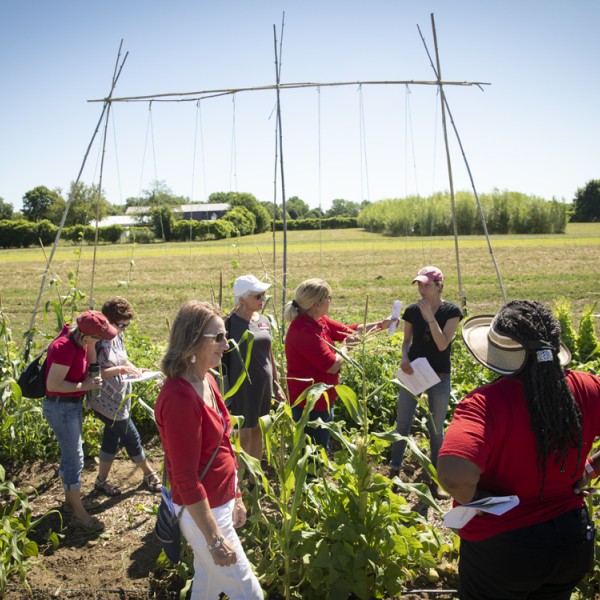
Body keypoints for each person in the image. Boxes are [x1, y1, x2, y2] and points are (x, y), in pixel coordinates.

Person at [437, 300, 600, 600]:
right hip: (571, 540)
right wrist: (589, 469)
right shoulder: (587, 387)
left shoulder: (485, 404)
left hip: (503, 551)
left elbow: (454, 475)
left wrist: (478, 500)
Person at [155, 300, 263, 600]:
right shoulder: (179, 398)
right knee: (250, 594)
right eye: (217, 337)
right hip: (202, 512)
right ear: (191, 341)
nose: (226, 344)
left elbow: (225, 444)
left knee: (206, 589)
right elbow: (186, 479)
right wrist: (214, 538)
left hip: (221, 500)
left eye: (225, 335)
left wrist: (237, 496)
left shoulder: (208, 380)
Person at [284, 277, 394, 449]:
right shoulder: (304, 330)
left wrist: (381, 325)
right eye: (328, 298)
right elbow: (332, 365)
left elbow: (349, 330)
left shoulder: (319, 321)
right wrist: (347, 348)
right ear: (317, 303)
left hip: (323, 398)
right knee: (315, 452)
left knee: (320, 447)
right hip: (310, 404)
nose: (330, 301)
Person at [389, 266, 463, 495]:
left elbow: (442, 344)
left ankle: (437, 478)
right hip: (414, 373)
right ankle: (394, 471)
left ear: (439, 286)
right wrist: (404, 358)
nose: (422, 289)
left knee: (436, 427)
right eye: (419, 284)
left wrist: (431, 318)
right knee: (403, 422)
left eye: (427, 285)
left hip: (439, 376)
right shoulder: (411, 311)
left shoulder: (452, 311)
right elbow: (406, 341)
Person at [43, 310, 118, 532]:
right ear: (87, 336)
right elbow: (53, 385)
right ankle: (78, 513)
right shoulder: (64, 348)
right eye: (99, 339)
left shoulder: (81, 341)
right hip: (60, 406)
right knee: (74, 458)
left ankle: (70, 503)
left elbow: (89, 365)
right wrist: (84, 387)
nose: (103, 343)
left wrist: (92, 349)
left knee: (71, 455)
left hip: (70, 406)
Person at [86, 297, 162, 496]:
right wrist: (119, 370)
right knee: (131, 436)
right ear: (108, 321)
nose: (123, 329)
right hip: (103, 400)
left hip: (120, 397)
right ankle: (149, 474)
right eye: (121, 325)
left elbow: (123, 360)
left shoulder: (118, 335)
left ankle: (101, 481)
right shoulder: (96, 341)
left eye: (126, 325)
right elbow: (92, 375)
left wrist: (135, 369)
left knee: (112, 437)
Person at [223, 275, 286, 468]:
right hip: (241, 387)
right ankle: (241, 476)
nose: (262, 299)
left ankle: (254, 476)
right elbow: (222, 360)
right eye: (258, 296)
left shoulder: (264, 320)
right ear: (242, 298)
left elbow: (270, 354)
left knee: (259, 429)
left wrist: (276, 385)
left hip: (263, 386)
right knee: (243, 432)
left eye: (264, 295)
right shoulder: (229, 323)